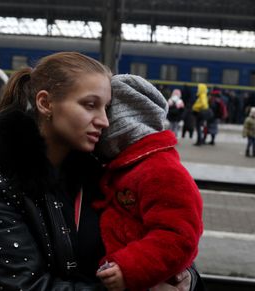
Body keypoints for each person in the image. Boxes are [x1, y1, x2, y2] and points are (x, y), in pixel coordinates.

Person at [0, 52, 196, 291]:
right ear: (45, 103)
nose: (104, 120)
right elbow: (26, 286)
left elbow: (163, 237)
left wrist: (185, 277)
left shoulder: (101, 170)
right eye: (90, 105)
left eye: (106, 108)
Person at [95, 74, 204, 291]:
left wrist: (129, 268)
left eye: (104, 111)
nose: (99, 121)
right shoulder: (126, 166)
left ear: (120, 124)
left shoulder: (159, 171)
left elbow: (177, 236)